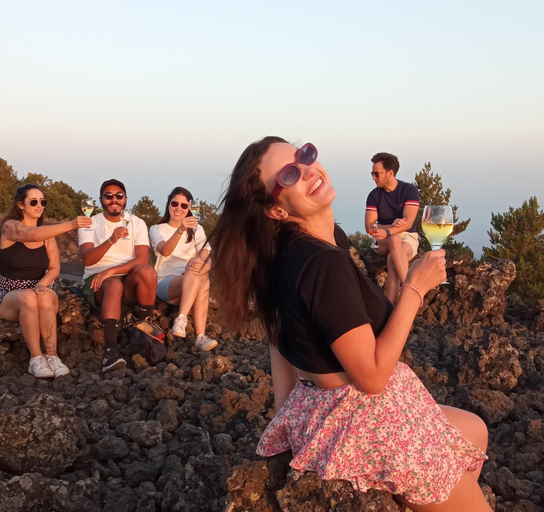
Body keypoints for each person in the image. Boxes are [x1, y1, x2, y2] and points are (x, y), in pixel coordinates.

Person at [209, 137, 490, 511]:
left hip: (321, 407)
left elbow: (279, 335)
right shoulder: (322, 263)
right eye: (289, 174)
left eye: (303, 155)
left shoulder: (298, 246)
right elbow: (372, 379)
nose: (307, 170)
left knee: (475, 429)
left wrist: (287, 412)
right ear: (275, 211)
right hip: (365, 418)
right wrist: (415, 289)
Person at [0, 184, 92, 378]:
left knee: (44, 297)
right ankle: (36, 359)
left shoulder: (47, 236)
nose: (40, 205)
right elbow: (30, 234)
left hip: (38, 289)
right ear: (21, 205)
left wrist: (41, 284)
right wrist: (72, 224)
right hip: (10, 294)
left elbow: (55, 268)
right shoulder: (10, 227)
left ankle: (52, 356)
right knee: (29, 298)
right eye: (34, 201)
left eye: (42, 202)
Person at [78, 179, 160, 372]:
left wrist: (112, 271)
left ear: (125, 199)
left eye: (118, 196)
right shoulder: (89, 223)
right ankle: (110, 353)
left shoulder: (137, 223)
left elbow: (141, 260)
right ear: (101, 200)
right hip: (97, 280)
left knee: (148, 272)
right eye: (108, 196)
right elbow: (88, 260)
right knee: (113, 285)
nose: (114, 199)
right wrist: (112, 239)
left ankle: (145, 336)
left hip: (125, 277)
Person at [149, 187, 217, 351]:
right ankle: (184, 321)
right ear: (168, 205)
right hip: (167, 283)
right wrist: (181, 230)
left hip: (192, 280)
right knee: (196, 268)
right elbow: (165, 250)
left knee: (200, 271)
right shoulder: (157, 229)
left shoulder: (197, 230)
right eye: (175, 203)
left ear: (189, 209)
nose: (178, 208)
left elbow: (207, 255)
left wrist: (204, 267)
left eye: (184, 206)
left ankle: (197, 334)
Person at [365, 152, 421, 303]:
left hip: (407, 237)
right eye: (372, 173)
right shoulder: (374, 196)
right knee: (394, 238)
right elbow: (369, 226)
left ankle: (389, 307)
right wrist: (390, 228)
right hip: (382, 240)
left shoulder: (409, 191)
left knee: (392, 259)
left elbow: (408, 223)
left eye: (376, 174)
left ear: (390, 173)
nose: (373, 177)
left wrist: (388, 231)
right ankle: (410, 288)